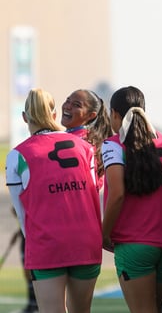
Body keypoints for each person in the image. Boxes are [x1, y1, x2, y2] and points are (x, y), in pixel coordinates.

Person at [5, 88, 102, 313]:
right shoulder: (87, 148)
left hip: (47, 246)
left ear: (25, 117)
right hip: (86, 241)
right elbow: (92, 196)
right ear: (55, 115)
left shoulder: (17, 156)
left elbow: (22, 215)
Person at [101, 86, 162, 313]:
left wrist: (104, 234)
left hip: (135, 244)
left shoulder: (113, 144)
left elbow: (118, 194)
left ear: (115, 114)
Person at [61, 89, 113, 181]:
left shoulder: (87, 143)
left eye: (76, 105)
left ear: (91, 115)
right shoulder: (64, 138)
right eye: (67, 101)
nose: (68, 107)